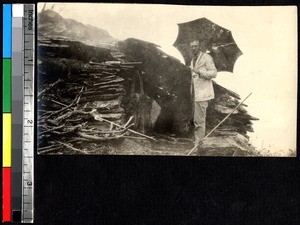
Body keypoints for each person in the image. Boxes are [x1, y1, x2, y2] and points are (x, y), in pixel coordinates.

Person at [190, 40, 217, 147]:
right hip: (196, 94)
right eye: (191, 46)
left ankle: (199, 146)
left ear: (199, 47)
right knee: (197, 120)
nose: (193, 48)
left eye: (195, 46)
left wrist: (200, 72)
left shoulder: (206, 57)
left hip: (203, 94)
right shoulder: (193, 59)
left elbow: (214, 73)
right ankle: (198, 143)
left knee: (199, 121)